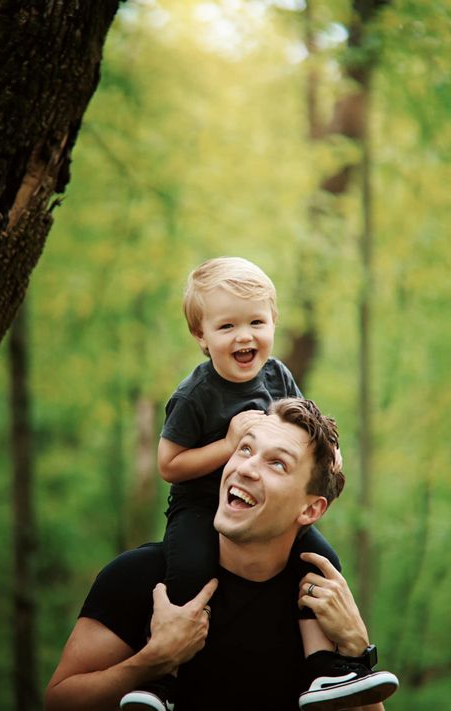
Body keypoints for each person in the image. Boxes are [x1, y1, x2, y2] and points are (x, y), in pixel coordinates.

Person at [122, 257, 393, 710]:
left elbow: (305, 428)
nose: (244, 336)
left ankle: (326, 670)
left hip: (267, 507)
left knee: (321, 560)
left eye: (256, 321)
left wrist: (331, 456)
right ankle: (162, 682)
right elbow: (169, 465)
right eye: (226, 326)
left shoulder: (277, 375)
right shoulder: (194, 396)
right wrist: (229, 445)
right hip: (201, 503)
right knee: (189, 569)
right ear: (201, 337)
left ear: (272, 323)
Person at [44, 398, 399, 711]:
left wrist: (357, 650)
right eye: (245, 449)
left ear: (310, 510)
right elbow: (59, 701)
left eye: (277, 464)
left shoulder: (320, 608)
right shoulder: (140, 577)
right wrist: (153, 661)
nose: (244, 467)